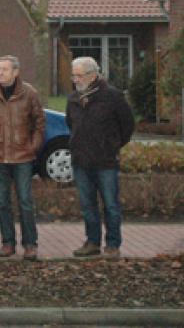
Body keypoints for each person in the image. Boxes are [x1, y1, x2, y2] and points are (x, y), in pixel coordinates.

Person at [0, 55, 45, 260]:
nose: (0, 73)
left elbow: (39, 122)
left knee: (25, 201)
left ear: (16, 72)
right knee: (2, 202)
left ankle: (30, 244)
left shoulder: (29, 93)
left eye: (5, 69)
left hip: (23, 157)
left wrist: (33, 145)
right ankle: (7, 243)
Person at [66, 56, 134, 260]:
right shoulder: (73, 99)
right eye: (73, 75)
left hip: (105, 161)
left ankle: (113, 244)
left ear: (93, 75)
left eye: (79, 75)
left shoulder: (113, 96)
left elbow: (127, 126)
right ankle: (92, 242)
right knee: (87, 205)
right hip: (81, 161)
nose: (75, 79)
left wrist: (112, 146)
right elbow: (71, 124)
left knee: (111, 205)